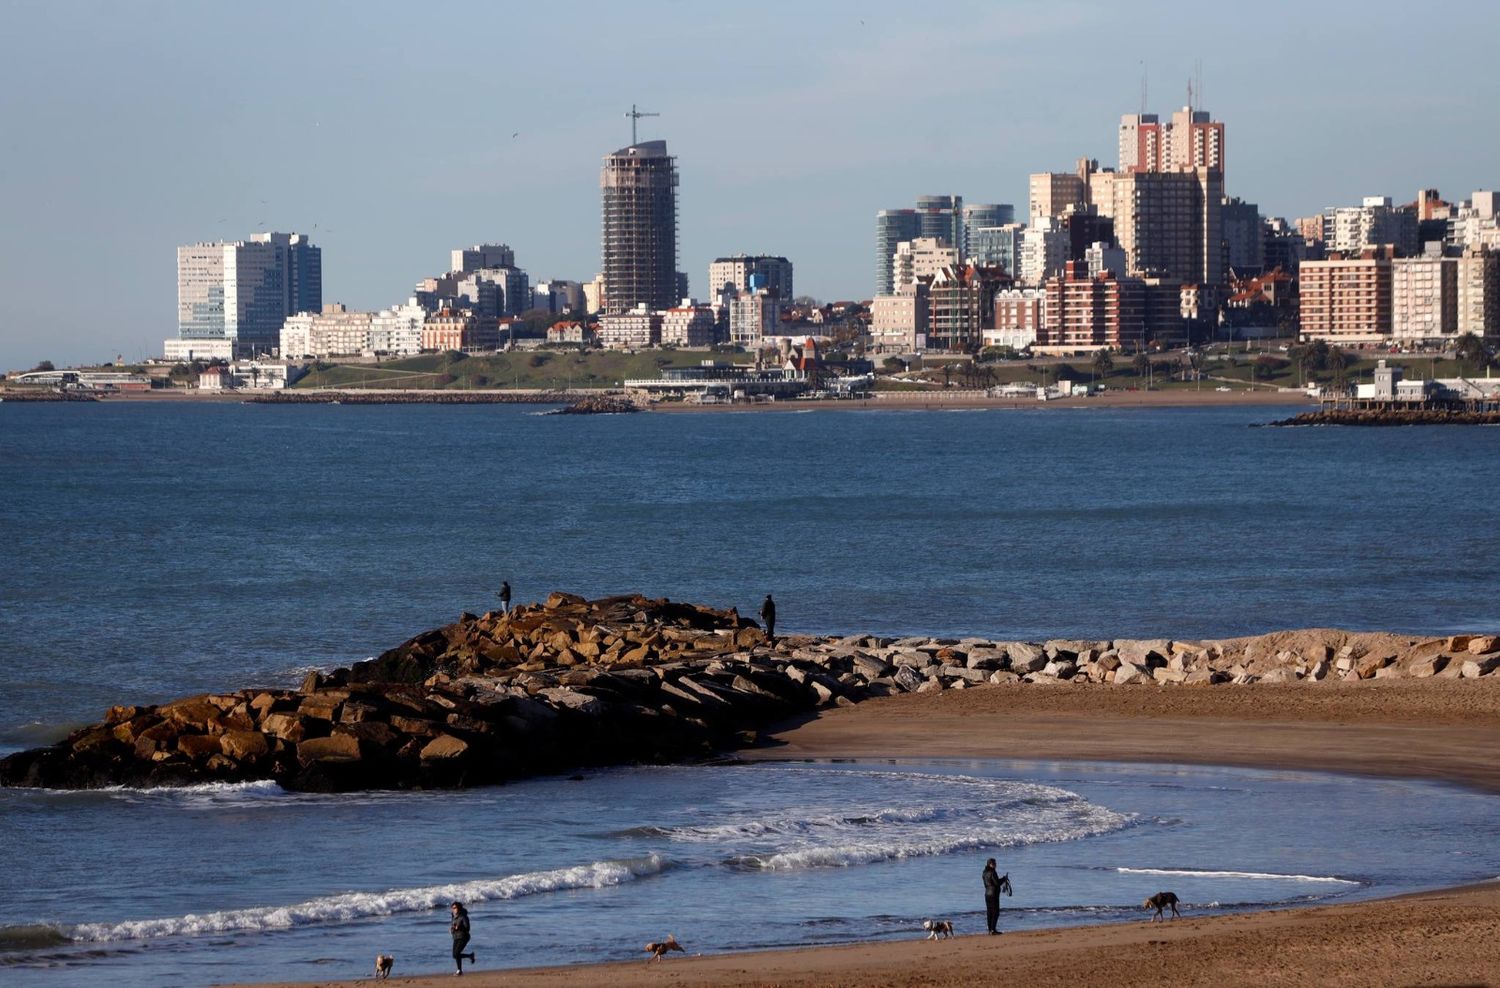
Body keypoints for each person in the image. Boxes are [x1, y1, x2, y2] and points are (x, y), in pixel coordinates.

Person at [450, 901, 475, 975]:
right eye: (452, 908)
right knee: (454, 955)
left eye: (455, 908)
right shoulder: (454, 916)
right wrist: (452, 929)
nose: (453, 909)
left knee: (457, 953)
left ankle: (459, 971)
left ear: (459, 908)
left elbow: (467, 928)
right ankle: (470, 956)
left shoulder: (463, 917)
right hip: (456, 937)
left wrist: (459, 927)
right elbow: (454, 926)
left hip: (463, 936)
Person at [982, 858, 1003, 934]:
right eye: (994, 863)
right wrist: (1004, 879)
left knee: (989, 912)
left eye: (995, 863)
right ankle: (993, 929)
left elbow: (987, 883)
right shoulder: (992, 872)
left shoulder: (984, 872)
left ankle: (990, 930)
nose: (995, 865)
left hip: (987, 894)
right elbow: (997, 883)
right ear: (990, 864)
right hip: (994, 894)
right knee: (996, 912)